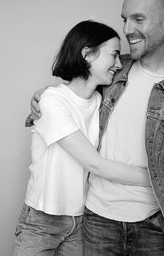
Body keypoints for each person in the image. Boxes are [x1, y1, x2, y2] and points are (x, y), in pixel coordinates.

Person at [28, 0, 164, 256]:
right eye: (125, 19)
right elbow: (73, 96)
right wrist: (42, 96)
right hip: (97, 219)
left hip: (156, 221)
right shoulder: (112, 71)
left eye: (138, 19)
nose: (128, 29)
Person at [14, 20, 151, 256]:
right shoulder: (52, 100)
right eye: (114, 55)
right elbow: (95, 164)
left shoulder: (101, 101)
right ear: (87, 54)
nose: (119, 64)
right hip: (41, 223)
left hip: (82, 221)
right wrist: (161, 182)